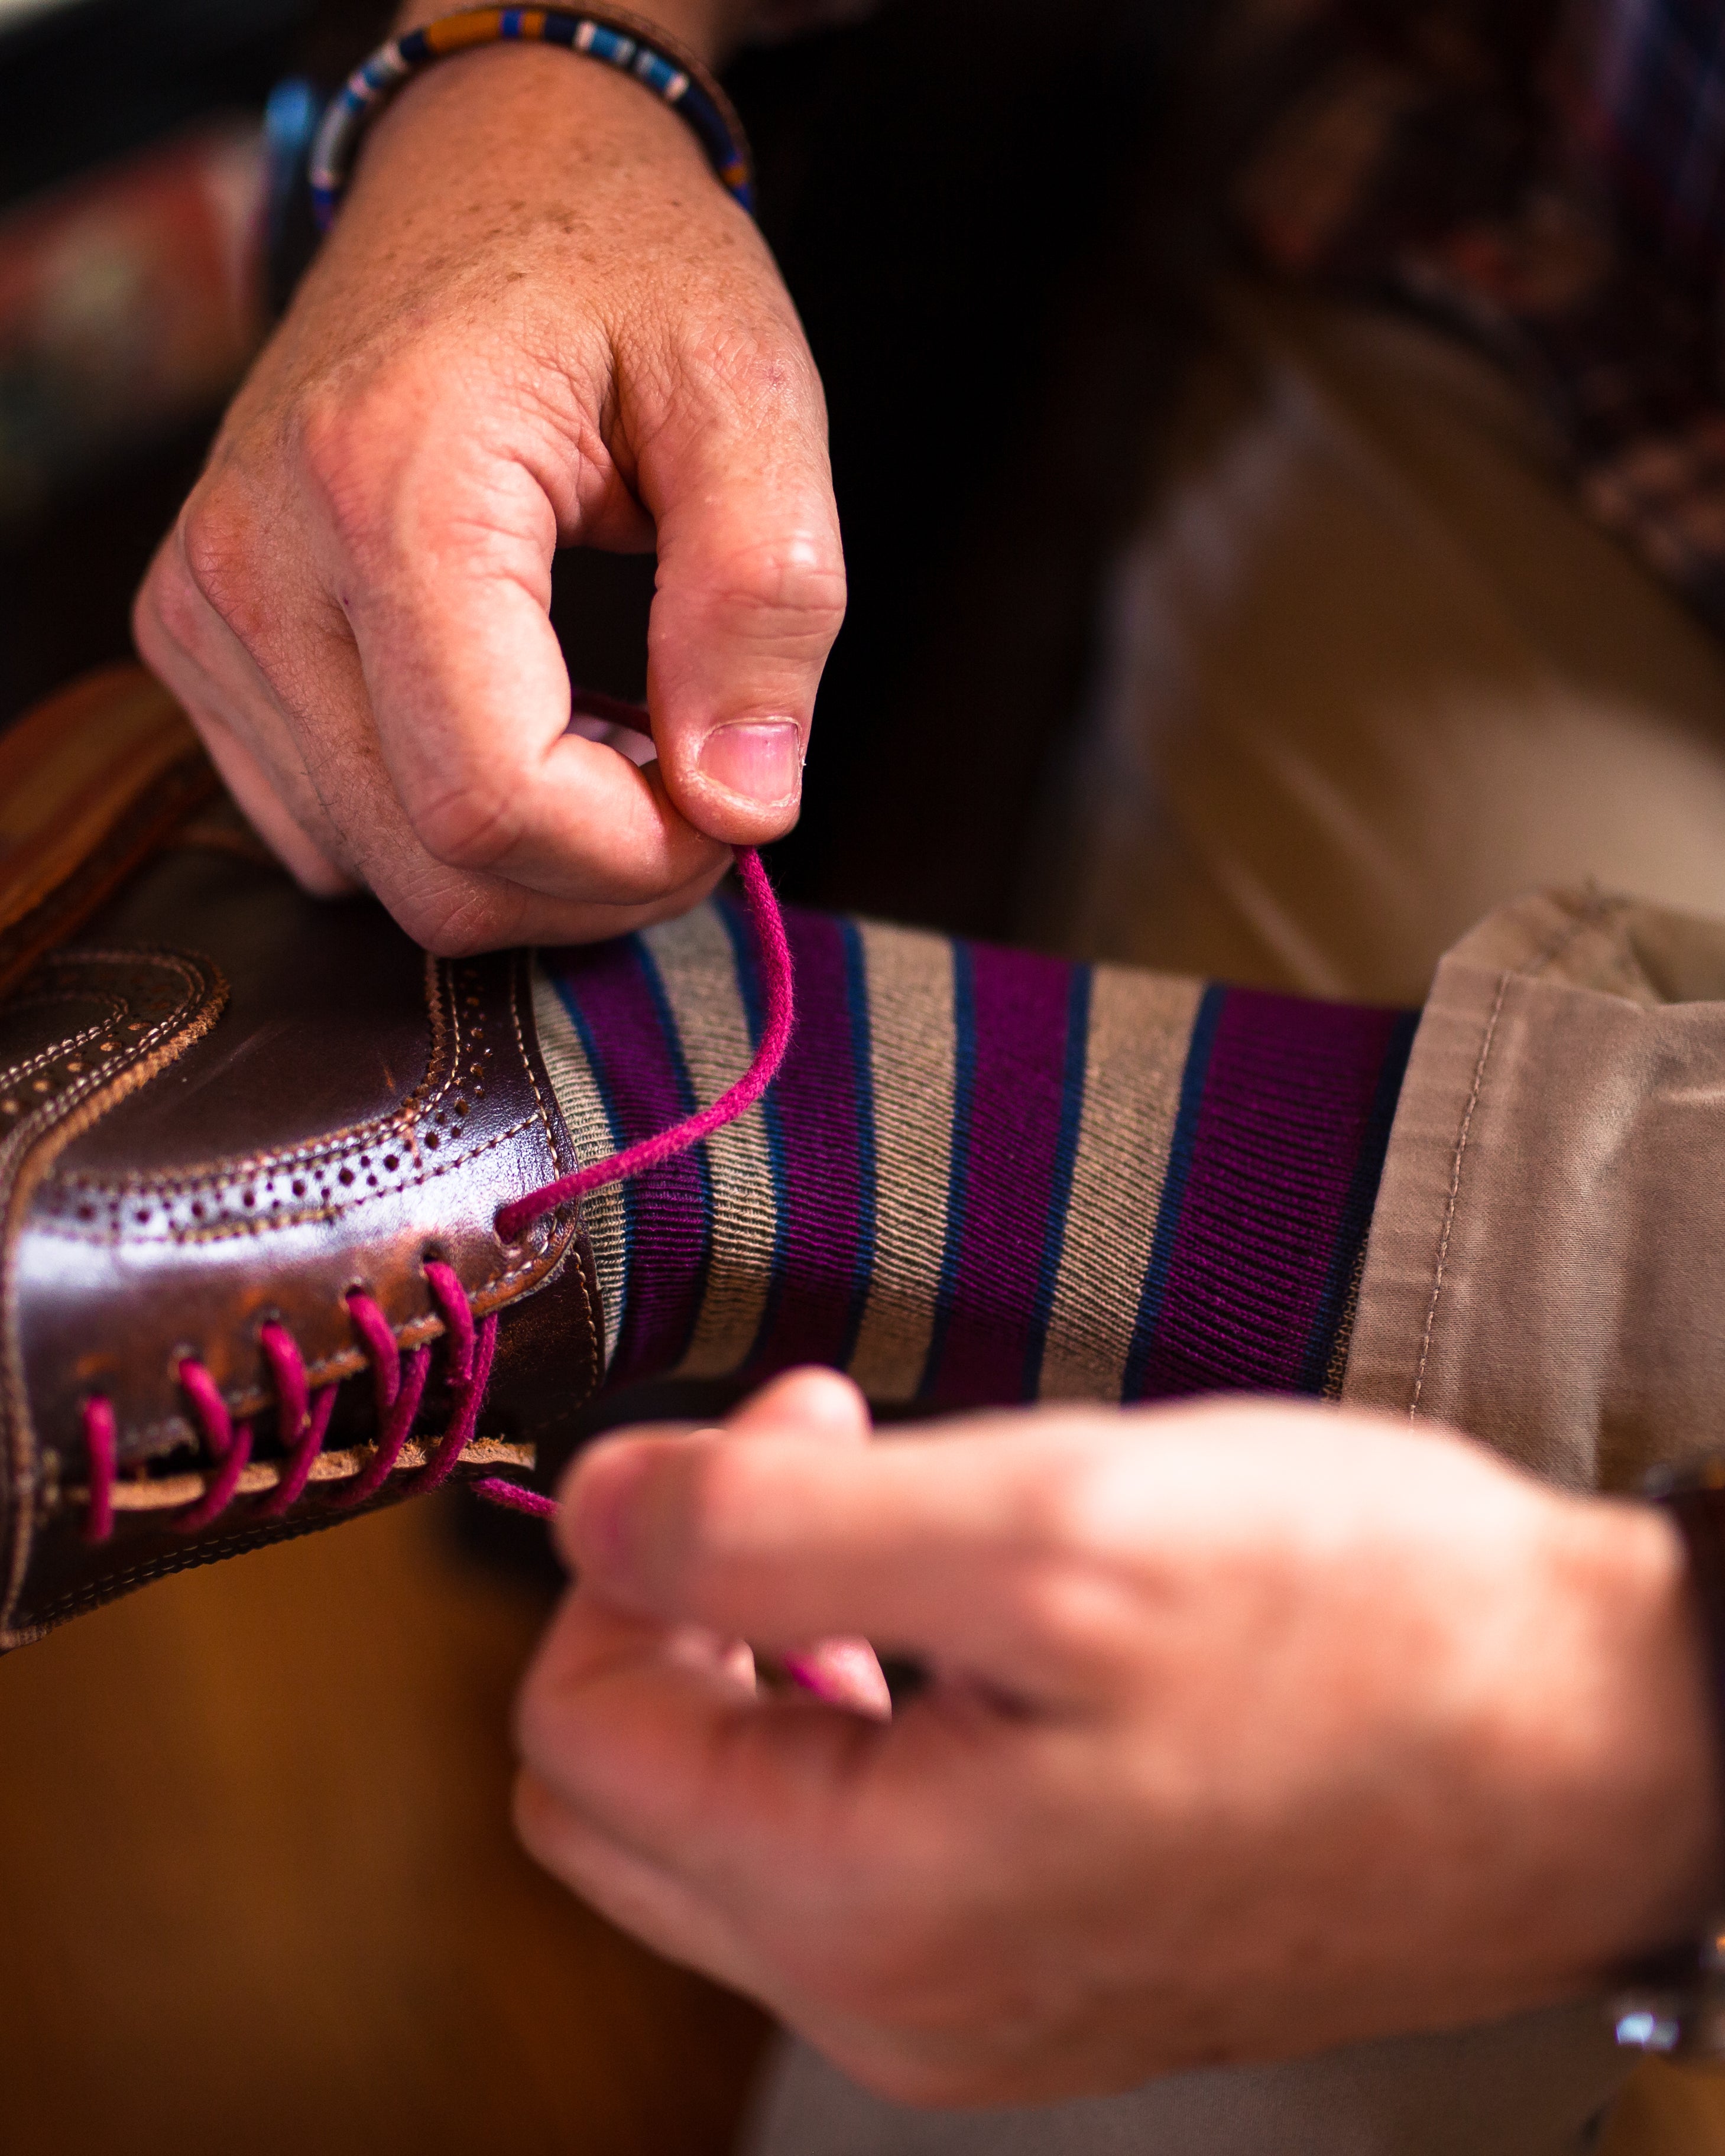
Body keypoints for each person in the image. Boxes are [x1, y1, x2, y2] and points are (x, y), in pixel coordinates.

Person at [129, 1, 1725, 2150]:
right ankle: (732, 1114)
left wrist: (1640, 1758)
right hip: (1589, 325)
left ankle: (740, 1120)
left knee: (1163, 1977)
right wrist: (549, 66)